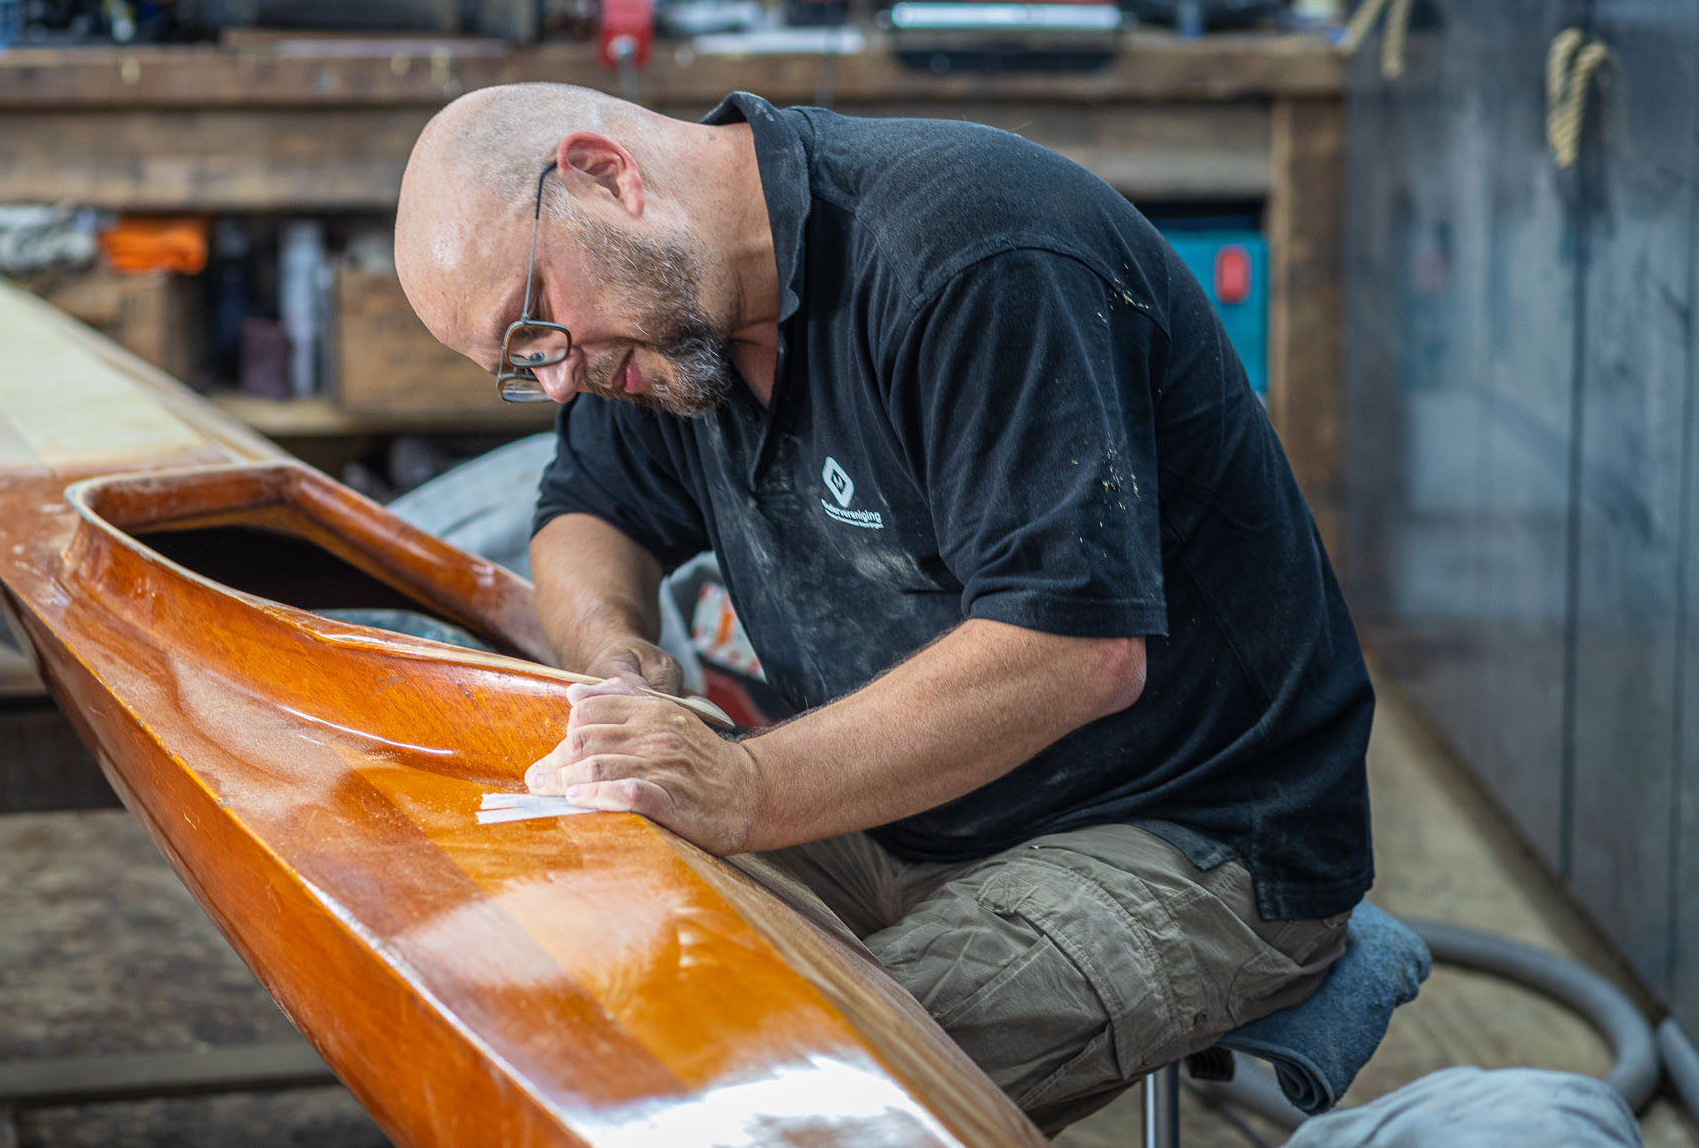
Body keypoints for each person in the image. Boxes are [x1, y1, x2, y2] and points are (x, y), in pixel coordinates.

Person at [393, 82, 1375, 1132]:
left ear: (602, 176)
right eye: (518, 364)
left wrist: (742, 785)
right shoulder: (668, 323)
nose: (552, 383)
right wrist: (616, 655)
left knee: (773, 1101)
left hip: (1185, 831)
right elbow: (587, 511)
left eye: (534, 323)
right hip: (899, 810)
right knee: (548, 974)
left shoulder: (972, 254)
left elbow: (1074, 652)